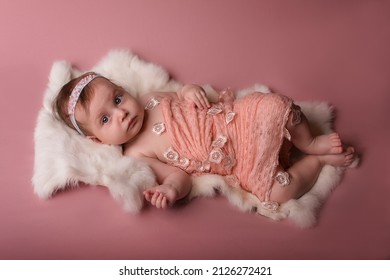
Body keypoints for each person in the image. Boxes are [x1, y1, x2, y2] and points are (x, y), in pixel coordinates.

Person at [54, 72, 355, 210]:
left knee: (277, 106)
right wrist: (170, 189)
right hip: (237, 162)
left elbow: (182, 93)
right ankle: (318, 162)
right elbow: (178, 175)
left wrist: (190, 91)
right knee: (276, 192)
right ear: (98, 139)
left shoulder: (150, 99)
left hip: (233, 119)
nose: (120, 113)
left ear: (124, 89)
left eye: (118, 98)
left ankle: (309, 144)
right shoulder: (136, 153)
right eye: (105, 119)